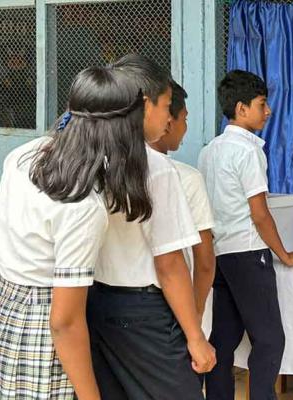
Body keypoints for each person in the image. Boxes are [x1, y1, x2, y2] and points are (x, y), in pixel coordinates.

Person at [0, 64, 152, 399]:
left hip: (8, 311)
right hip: (45, 336)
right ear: (124, 133)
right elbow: (64, 322)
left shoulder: (25, 154)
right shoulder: (83, 206)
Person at [87, 54, 216, 400]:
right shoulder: (156, 168)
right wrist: (195, 336)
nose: (168, 118)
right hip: (144, 313)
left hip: (96, 303)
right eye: (167, 105)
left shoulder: (88, 156)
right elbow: (170, 263)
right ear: (146, 104)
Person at [199, 70, 293, 400]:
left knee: (223, 339)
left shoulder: (210, 151)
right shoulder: (249, 151)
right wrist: (285, 254)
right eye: (262, 104)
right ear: (241, 108)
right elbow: (260, 213)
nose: (269, 111)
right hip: (249, 254)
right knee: (269, 340)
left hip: (220, 255)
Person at [149, 81, 216, 317]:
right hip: (172, 304)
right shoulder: (185, 177)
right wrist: (194, 318)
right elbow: (205, 262)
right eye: (184, 118)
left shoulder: (111, 168)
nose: (186, 127)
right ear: (168, 120)